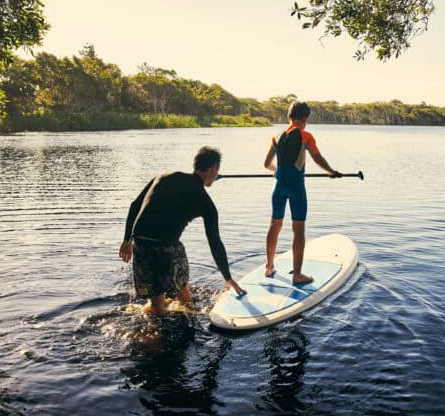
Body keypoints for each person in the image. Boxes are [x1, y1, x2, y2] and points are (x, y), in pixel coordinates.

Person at [120, 146, 247, 314]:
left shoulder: (164, 176)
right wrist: (228, 278)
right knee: (184, 293)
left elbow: (135, 205)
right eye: (216, 171)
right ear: (213, 169)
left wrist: (127, 240)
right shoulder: (205, 202)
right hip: (166, 249)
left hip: (140, 245)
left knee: (157, 304)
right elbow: (215, 242)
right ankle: (189, 314)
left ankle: (150, 327)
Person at [264, 102, 341, 284]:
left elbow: (267, 164)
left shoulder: (276, 136)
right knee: (298, 230)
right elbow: (318, 159)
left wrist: (277, 172)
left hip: (279, 188)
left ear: (288, 117)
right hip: (297, 189)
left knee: (275, 225)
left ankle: (269, 266)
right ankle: (297, 275)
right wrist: (331, 172)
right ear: (305, 119)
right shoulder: (306, 136)